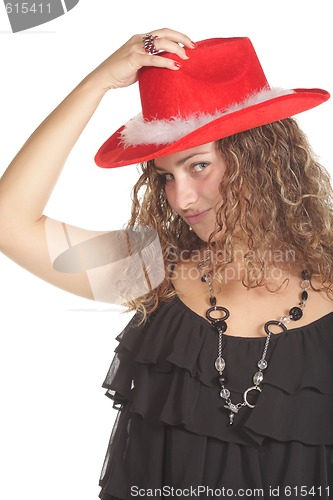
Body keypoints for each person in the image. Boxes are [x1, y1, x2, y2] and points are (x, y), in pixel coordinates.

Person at [0, 28, 332, 499]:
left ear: (260, 155)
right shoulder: (155, 269)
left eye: (198, 165)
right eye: (165, 176)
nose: (181, 198)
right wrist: (98, 81)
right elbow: (9, 222)